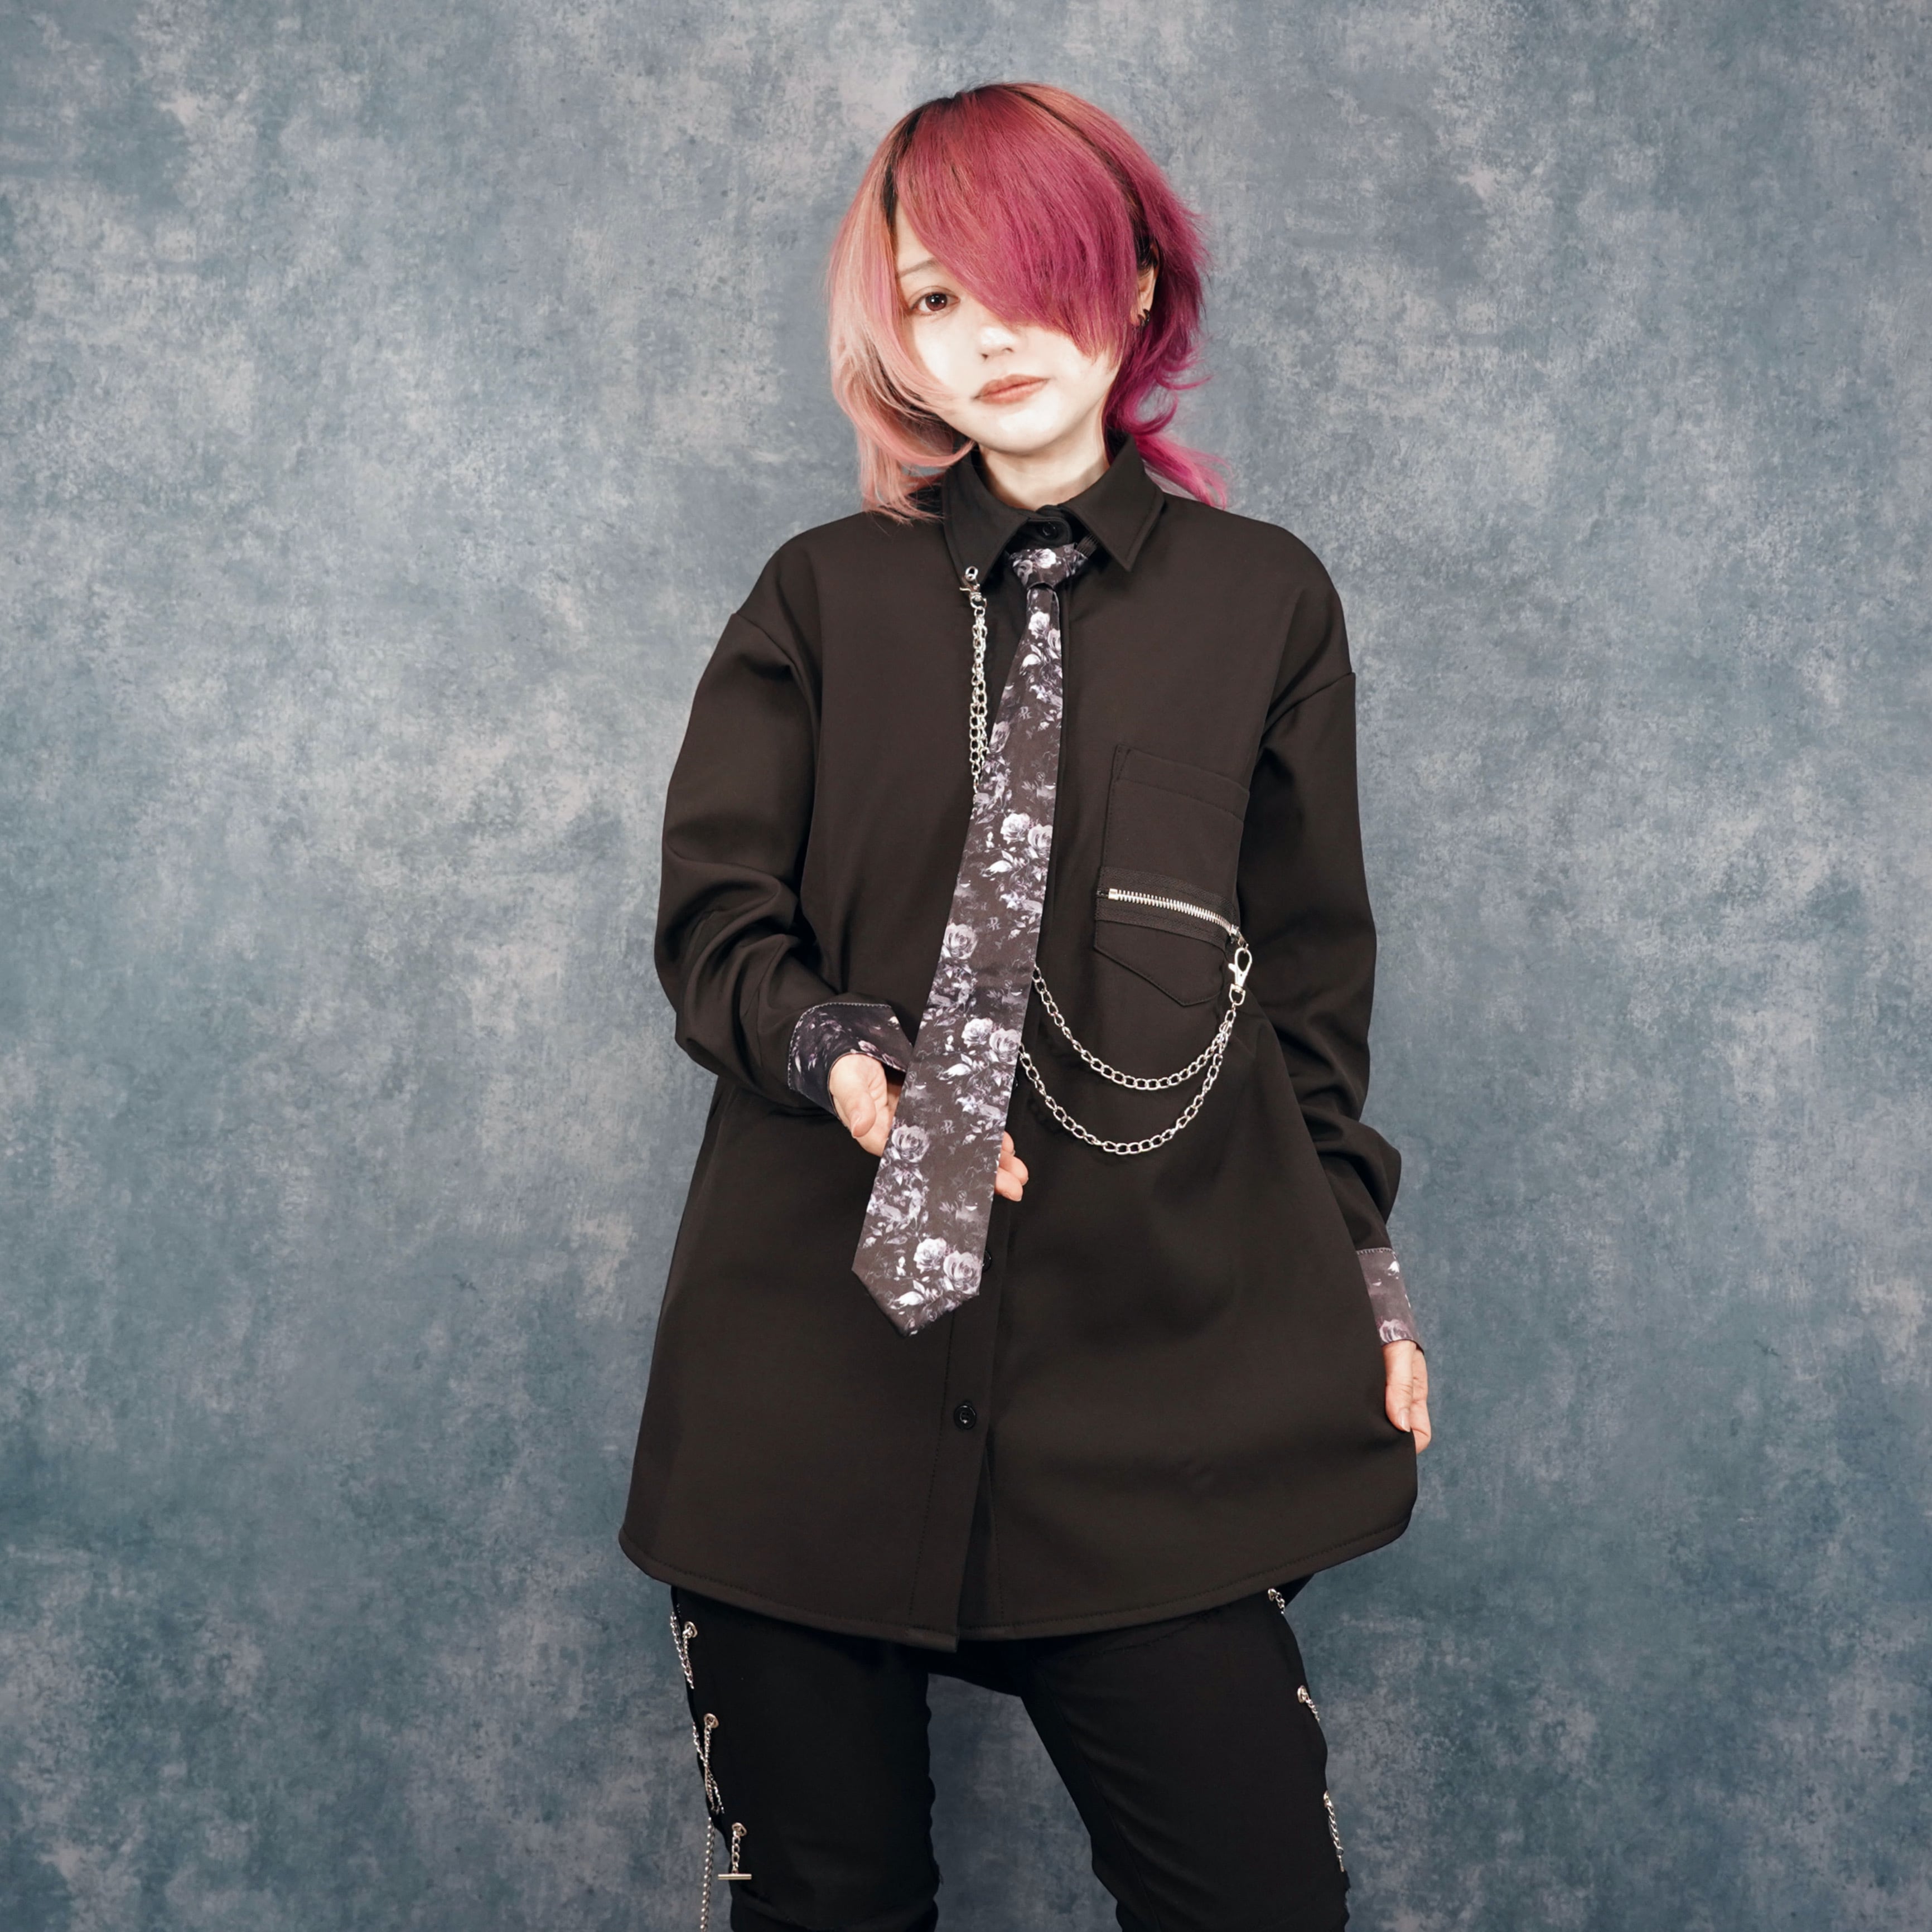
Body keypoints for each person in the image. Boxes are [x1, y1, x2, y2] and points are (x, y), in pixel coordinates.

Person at [621, 80, 1433, 1932]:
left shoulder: (1268, 606)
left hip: (1150, 1401)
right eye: (933, 298)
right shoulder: (819, 598)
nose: (985, 336)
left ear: (1133, 284)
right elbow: (716, 923)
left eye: (1031, 277)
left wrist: (1369, 1276)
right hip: (802, 1398)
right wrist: (845, 1062)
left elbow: (1311, 1001)